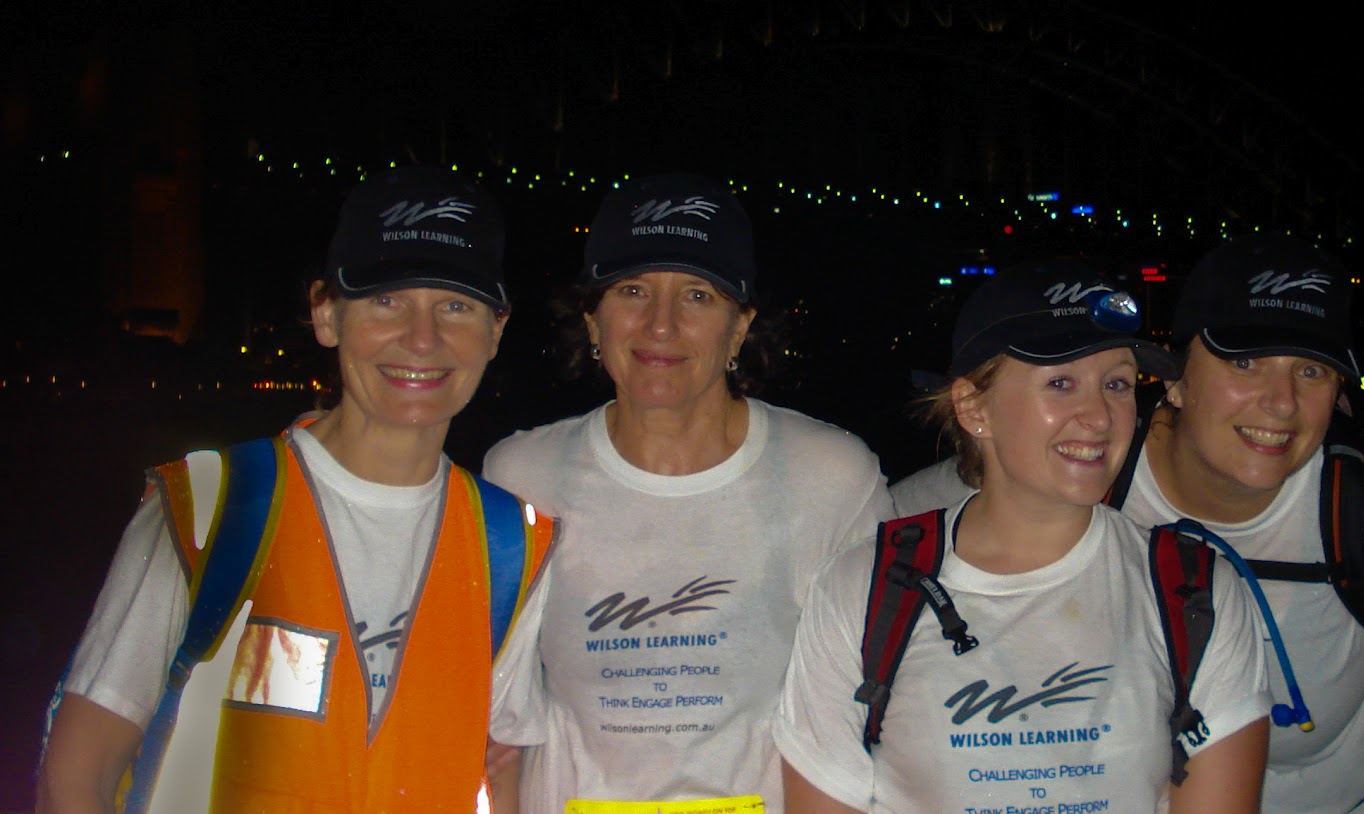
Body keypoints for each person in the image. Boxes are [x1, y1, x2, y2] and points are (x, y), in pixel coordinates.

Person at [891, 235, 1364, 814]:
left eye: (1311, 370)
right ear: (1176, 381)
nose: (1281, 402)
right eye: (1245, 363)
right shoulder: (1087, 469)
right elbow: (915, 516)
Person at [36, 166, 555, 813]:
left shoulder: (510, 546)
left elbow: (501, 778)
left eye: (455, 306)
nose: (422, 338)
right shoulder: (214, 510)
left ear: (496, 331)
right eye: (386, 300)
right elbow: (78, 772)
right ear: (326, 313)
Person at [775, 259, 1272, 813]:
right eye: (1060, 383)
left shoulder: (1194, 590)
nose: (1100, 417)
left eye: (1116, 384)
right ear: (973, 407)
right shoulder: (861, 591)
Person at [483, 172, 894, 813]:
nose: (661, 325)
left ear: (740, 327)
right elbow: (499, 727)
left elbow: (877, 710)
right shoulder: (522, 477)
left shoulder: (830, 477)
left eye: (698, 296)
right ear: (592, 320)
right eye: (632, 291)